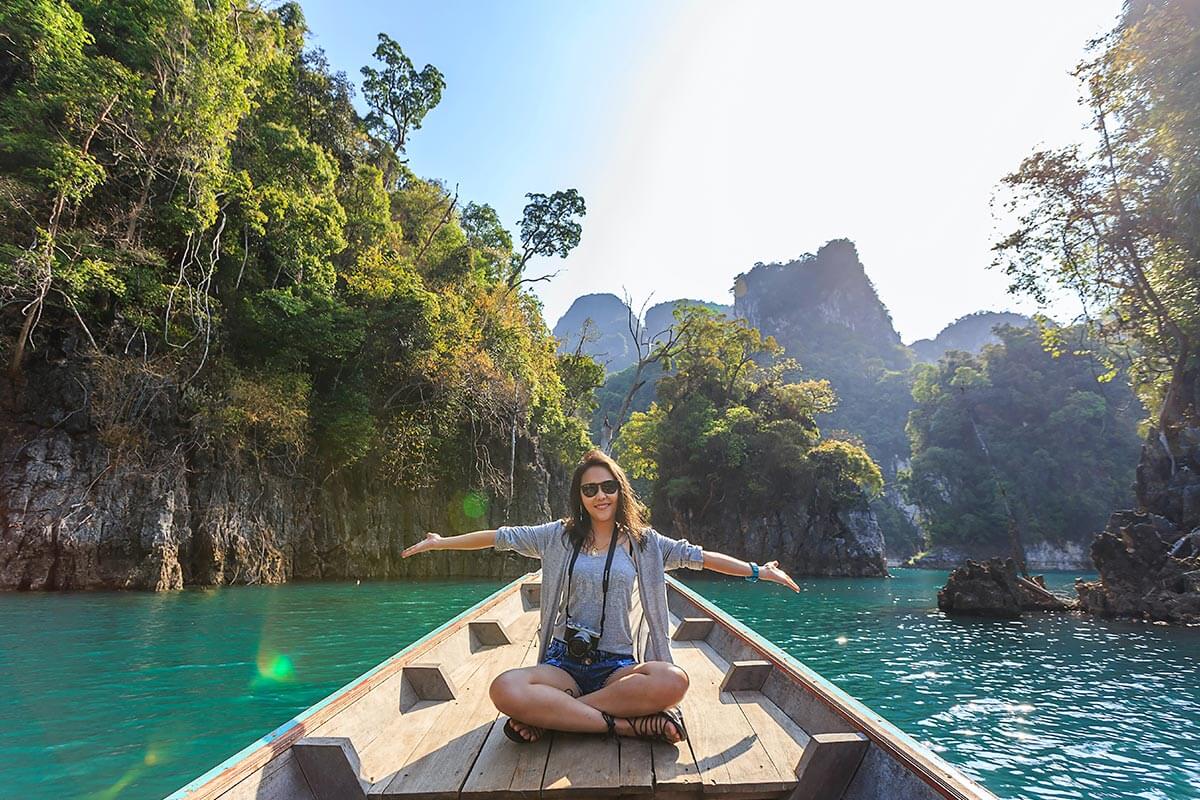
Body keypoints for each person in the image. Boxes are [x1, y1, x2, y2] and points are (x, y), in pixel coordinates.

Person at [400, 449, 799, 745]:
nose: (600, 496)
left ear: (619, 490)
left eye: (608, 487)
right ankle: (624, 725)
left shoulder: (646, 544)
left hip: (617, 666)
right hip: (564, 663)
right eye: (590, 489)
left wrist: (757, 571)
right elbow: (498, 537)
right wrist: (440, 543)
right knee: (504, 688)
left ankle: (557, 715)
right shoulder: (557, 536)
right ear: (580, 496)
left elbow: (701, 558)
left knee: (672, 680)